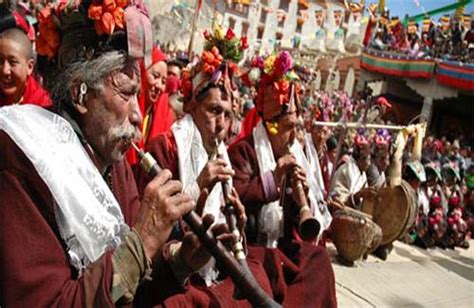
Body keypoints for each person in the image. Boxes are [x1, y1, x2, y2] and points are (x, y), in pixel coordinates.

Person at [0, 2, 237, 306]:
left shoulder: (115, 163)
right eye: (126, 93)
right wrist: (143, 241)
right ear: (79, 93)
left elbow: (134, 289)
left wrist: (179, 261)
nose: (138, 115)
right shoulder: (22, 157)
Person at [228, 52, 336, 306]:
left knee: (319, 261)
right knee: (269, 275)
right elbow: (236, 197)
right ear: (271, 124)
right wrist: (273, 180)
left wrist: (302, 201)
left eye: (297, 126)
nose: (295, 136)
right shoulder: (244, 151)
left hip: (280, 250)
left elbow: (298, 227)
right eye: (289, 127)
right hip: (251, 249)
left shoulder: (293, 154)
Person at [0, 28, 51, 107]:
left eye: (13, 62)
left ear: (29, 67)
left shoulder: (42, 105)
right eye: (0, 61)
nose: (4, 70)